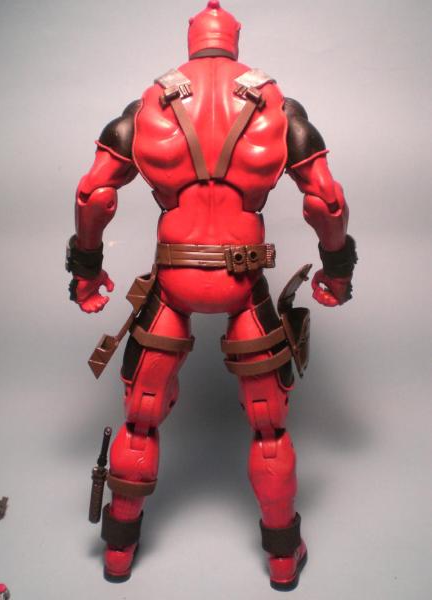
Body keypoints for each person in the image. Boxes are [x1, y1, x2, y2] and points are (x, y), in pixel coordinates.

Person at [66, 1, 357, 590]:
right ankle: (282, 557)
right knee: (269, 428)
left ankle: (119, 553)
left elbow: (94, 194)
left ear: (192, 39)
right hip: (243, 286)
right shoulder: (278, 107)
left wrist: (87, 270)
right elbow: (326, 201)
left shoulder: (148, 105)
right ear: (234, 39)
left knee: (140, 418)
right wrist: (337, 269)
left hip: (173, 284)